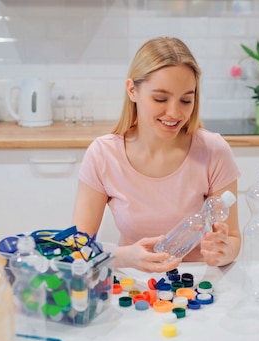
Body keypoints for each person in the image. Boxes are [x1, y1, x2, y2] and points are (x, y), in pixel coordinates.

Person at [72, 37, 241, 273]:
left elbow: (233, 239)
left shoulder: (214, 151)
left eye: (186, 100)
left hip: (194, 284)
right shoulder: (103, 154)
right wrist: (125, 257)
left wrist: (223, 252)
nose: (174, 112)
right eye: (160, 98)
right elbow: (77, 248)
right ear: (132, 90)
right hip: (134, 286)